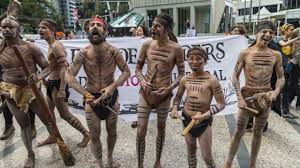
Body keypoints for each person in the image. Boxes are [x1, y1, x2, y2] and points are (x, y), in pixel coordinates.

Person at [0, 12, 75, 168]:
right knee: (24, 124)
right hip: (10, 92)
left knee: (48, 120)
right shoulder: (0, 50)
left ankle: (59, 143)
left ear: (18, 29)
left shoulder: (30, 47)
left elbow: (47, 67)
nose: (6, 29)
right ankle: (30, 155)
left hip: (32, 91)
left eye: (10, 26)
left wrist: (38, 77)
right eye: (3, 27)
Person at [65, 15, 130, 168]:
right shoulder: (83, 53)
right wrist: (85, 94)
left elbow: (126, 71)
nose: (94, 27)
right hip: (91, 99)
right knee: (94, 136)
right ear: (88, 30)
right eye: (91, 25)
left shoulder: (113, 52)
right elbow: (68, 75)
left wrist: (112, 87)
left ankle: (109, 159)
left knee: (112, 132)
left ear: (105, 31)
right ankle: (99, 163)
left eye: (99, 25)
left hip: (111, 99)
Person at [224, 20, 285, 168]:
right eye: (264, 31)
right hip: (247, 95)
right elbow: (235, 77)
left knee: (258, 131)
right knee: (239, 131)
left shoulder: (275, 55)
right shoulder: (245, 53)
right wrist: (240, 99)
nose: (268, 35)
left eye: (271, 32)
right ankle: (228, 163)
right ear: (257, 33)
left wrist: (275, 92)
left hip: (265, 98)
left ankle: (252, 164)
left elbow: (281, 77)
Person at [135, 13, 185, 168]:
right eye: (153, 25)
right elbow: (138, 69)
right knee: (140, 130)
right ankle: (140, 164)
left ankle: (157, 161)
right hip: (146, 93)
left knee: (161, 128)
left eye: (157, 26)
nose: (153, 28)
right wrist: (143, 82)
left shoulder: (176, 48)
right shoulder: (146, 45)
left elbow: (182, 75)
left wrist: (168, 89)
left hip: (164, 96)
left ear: (167, 29)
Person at [35, 19, 90, 147]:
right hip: (51, 82)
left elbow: (65, 67)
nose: (40, 30)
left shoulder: (56, 46)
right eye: (39, 27)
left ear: (52, 30)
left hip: (58, 83)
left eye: (44, 28)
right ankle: (53, 135)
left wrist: (61, 90)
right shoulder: (50, 45)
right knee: (48, 112)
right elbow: (51, 67)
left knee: (64, 114)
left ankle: (86, 134)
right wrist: (39, 77)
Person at [170, 47, 225, 168]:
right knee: (190, 152)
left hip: (203, 122)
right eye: (191, 58)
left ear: (205, 61)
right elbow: (178, 97)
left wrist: (206, 115)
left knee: (207, 156)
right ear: (188, 61)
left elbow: (221, 104)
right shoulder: (185, 79)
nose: (194, 61)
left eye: (198, 59)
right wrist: (174, 109)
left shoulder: (212, 80)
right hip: (187, 119)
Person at [278, 23, 300, 118]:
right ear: (285, 30)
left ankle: (285, 111)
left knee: (287, 89)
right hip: (280, 67)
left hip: (288, 67)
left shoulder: (291, 41)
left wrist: (295, 47)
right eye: (291, 30)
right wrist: (297, 39)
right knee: (281, 89)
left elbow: (291, 55)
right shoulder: (280, 39)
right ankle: (280, 109)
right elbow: (284, 44)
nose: (292, 31)